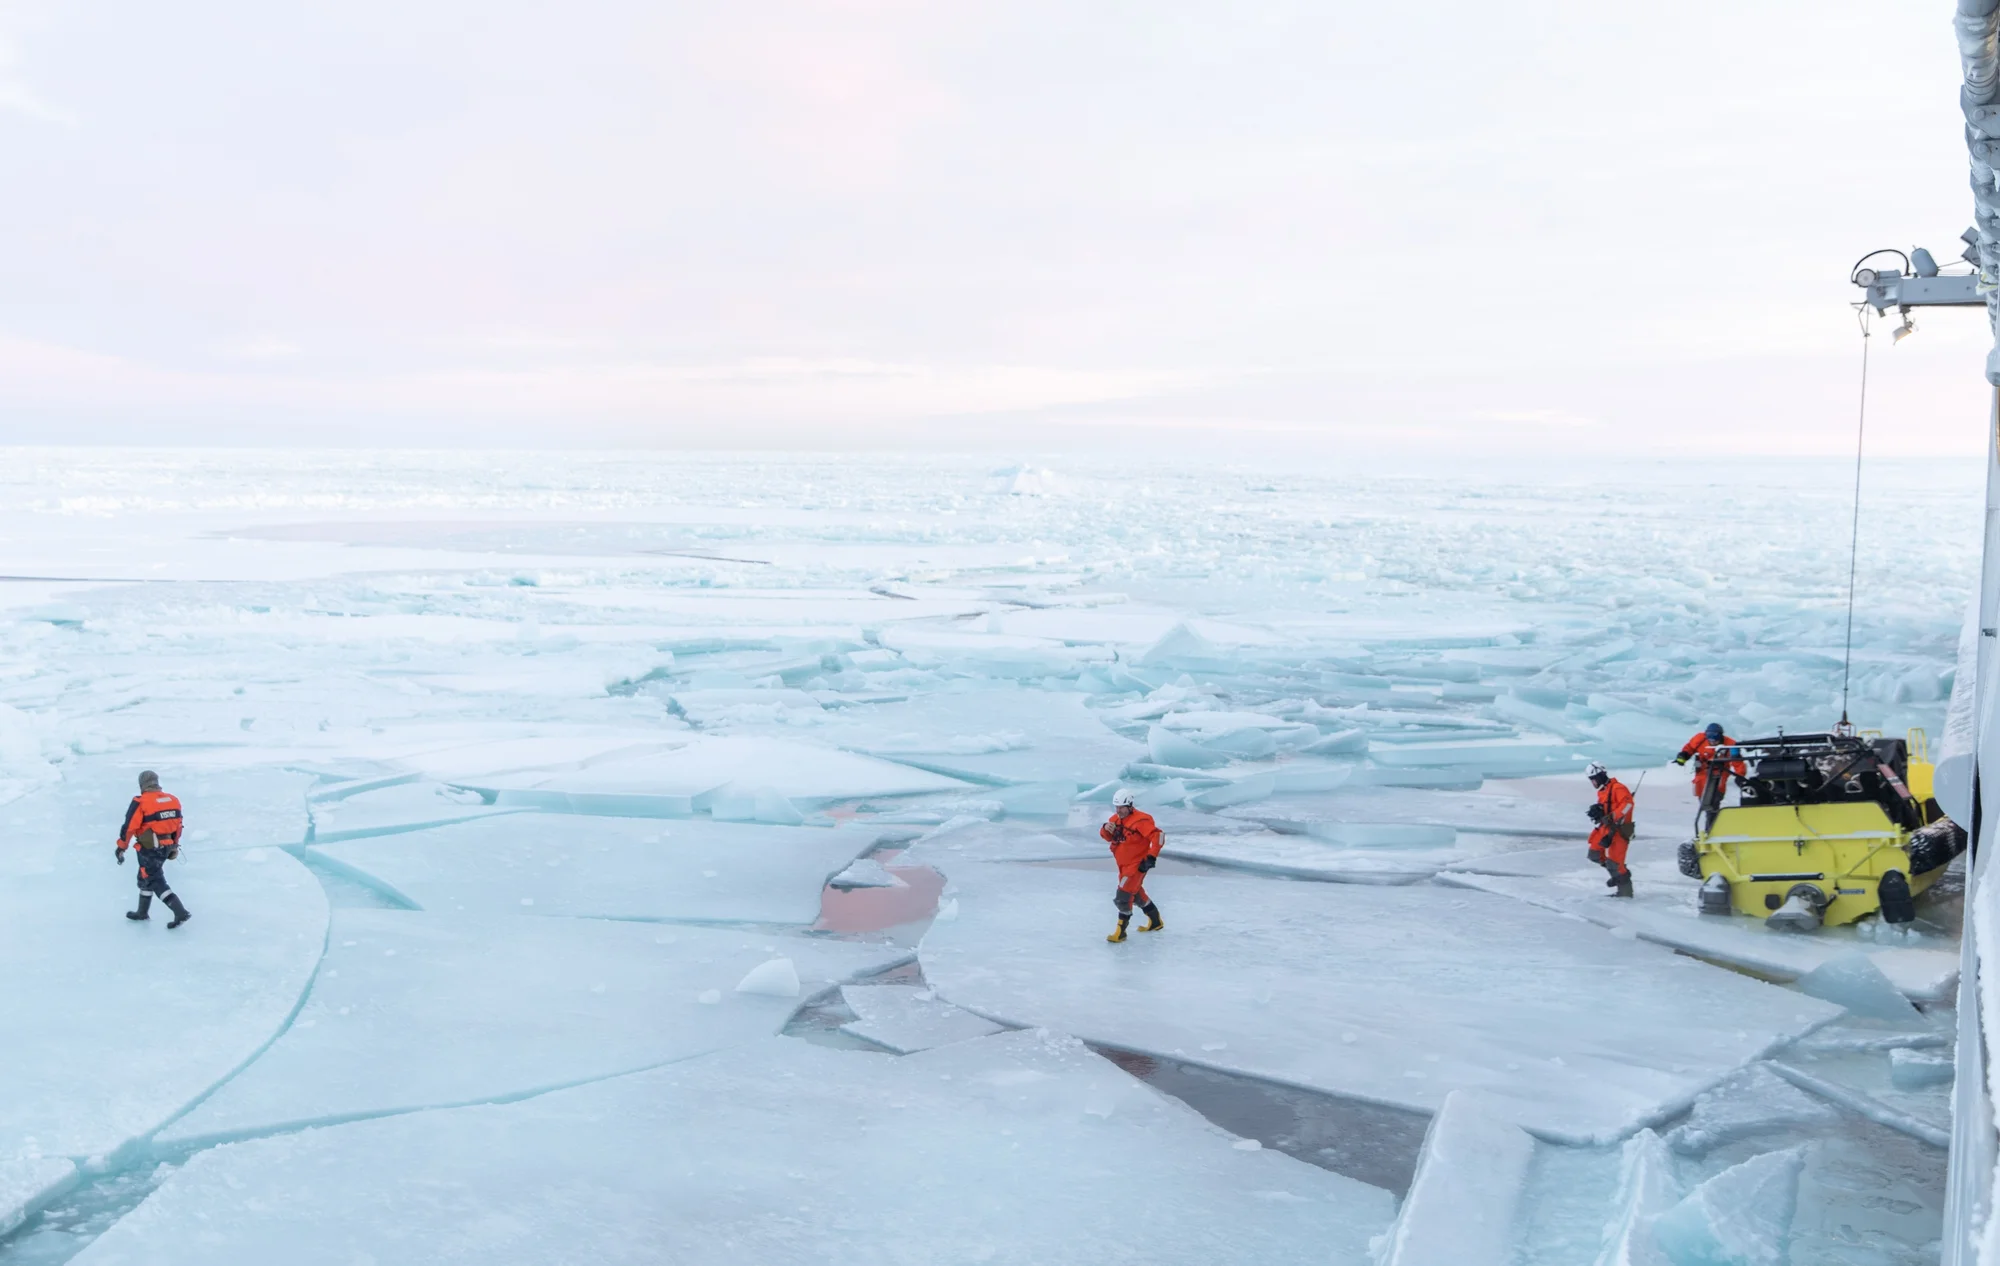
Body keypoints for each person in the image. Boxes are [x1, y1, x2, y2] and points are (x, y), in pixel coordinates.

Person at [116, 770, 191, 929]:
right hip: (167, 846)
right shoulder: (173, 800)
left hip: (150, 848)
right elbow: (178, 825)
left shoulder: (141, 802)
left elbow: (129, 827)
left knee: (154, 879)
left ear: (142, 784)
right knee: (144, 876)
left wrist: (121, 847)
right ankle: (142, 912)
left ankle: (180, 911)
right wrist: (174, 845)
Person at [1100, 789, 1164, 942]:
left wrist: (1151, 857)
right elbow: (1109, 838)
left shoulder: (1141, 821)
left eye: (1121, 807)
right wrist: (1105, 829)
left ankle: (1120, 932)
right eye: (1116, 807)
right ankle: (1155, 921)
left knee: (1123, 897)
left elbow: (1159, 836)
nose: (1118, 811)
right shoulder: (1114, 819)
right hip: (1122, 865)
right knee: (1136, 895)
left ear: (1129, 805)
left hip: (1137, 866)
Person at [1674, 723, 1745, 829]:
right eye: (1710, 739)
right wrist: (1683, 756)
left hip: (1720, 773)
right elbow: (1689, 748)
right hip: (1702, 773)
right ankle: (1709, 825)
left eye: (1715, 739)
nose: (1713, 742)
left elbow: (1738, 762)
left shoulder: (1730, 744)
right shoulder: (1699, 739)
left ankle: (1711, 828)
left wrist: (1740, 776)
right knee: (1703, 801)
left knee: (1714, 801)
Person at [1585, 762, 1635, 898]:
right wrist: (1598, 811)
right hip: (1605, 829)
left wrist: (1612, 816)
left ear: (1601, 775)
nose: (1593, 783)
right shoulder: (1603, 791)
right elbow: (1607, 807)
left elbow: (1628, 805)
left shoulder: (1618, 788)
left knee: (1615, 863)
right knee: (1594, 854)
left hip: (1619, 831)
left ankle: (1625, 892)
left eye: (1594, 779)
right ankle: (1618, 875)